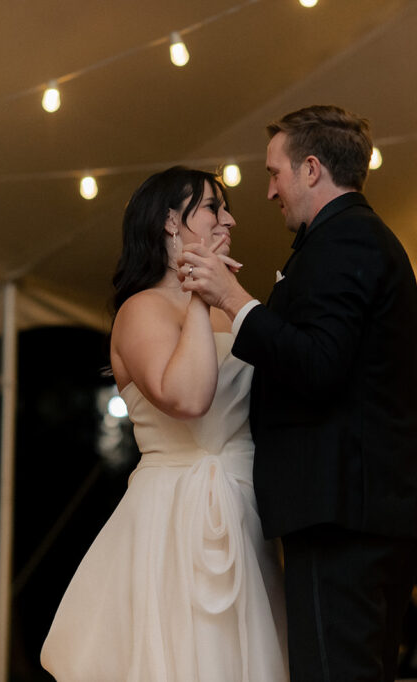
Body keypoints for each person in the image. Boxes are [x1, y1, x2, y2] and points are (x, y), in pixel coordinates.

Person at [179, 104, 417, 681]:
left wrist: (232, 298)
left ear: (312, 169)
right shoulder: (351, 239)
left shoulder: (345, 242)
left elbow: (319, 365)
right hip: (359, 510)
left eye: (275, 173)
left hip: (343, 513)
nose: (270, 192)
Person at [40, 167, 288, 681]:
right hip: (175, 511)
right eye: (214, 208)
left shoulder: (230, 308)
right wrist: (199, 294)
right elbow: (188, 397)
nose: (230, 219)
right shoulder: (141, 310)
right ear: (172, 222)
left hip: (245, 506)